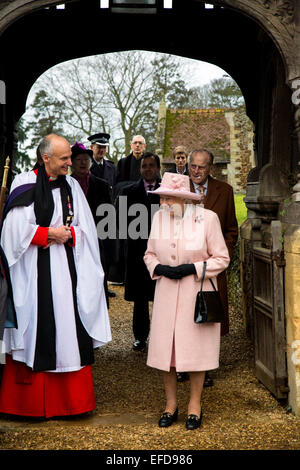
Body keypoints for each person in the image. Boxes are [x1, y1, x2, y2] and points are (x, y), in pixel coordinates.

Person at [0, 134, 111, 418]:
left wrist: (70, 233)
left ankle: (72, 403)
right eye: (63, 158)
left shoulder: (72, 185)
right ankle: (28, 405)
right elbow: (12, 231)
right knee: (36, 328)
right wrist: (47, 233)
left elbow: (85, 228)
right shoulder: (24, 183)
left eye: (69, 158)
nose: (69, 163)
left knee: (68, 330)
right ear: (45, 158)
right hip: (33, 273)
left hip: (66, 272)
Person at [144, 172, 230, 429]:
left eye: (169, 198)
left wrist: (193, 269)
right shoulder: (159, 218)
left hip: (196, 294)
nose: (164, 203)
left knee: (195, 351)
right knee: (165, 352)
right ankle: (171, 404)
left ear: (184, 199)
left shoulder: (208, 219)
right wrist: (159, 268)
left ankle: (195, 404)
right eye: (162, 198)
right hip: (166, 294)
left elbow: (222, 258)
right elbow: (148, 253)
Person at [188, 148, 238, 387]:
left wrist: (220, 254)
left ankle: (205, 369)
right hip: (185, 267)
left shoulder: (225, 191)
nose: (196, 172)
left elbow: (231, 229)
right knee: (185, 318)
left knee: (208, 319)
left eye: (201, 167)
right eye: (193, 166)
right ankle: (183, 365)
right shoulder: (178, 189)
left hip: (213, 268)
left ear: (211, 168)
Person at [118, 152, 161, 351]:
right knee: (141, 300)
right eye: (145, 166)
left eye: (152, 165)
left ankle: (163, 339)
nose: (148, 169)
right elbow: (120, 224)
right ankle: (140, 337)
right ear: (140, 168)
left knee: (164, 298)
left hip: (163, 253)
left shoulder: (167, 192)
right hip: (137, 254)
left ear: (158, 168)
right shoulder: (128, 192)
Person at [70, 141, 117, 303]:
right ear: (72, 163)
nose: (83, 163)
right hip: (73, 243)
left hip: (98, 243)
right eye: (79, 160)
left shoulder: (102, 186)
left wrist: (111, 251)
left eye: (86, 159)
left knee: (97, 286)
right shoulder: (66, 185)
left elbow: (109, 219)